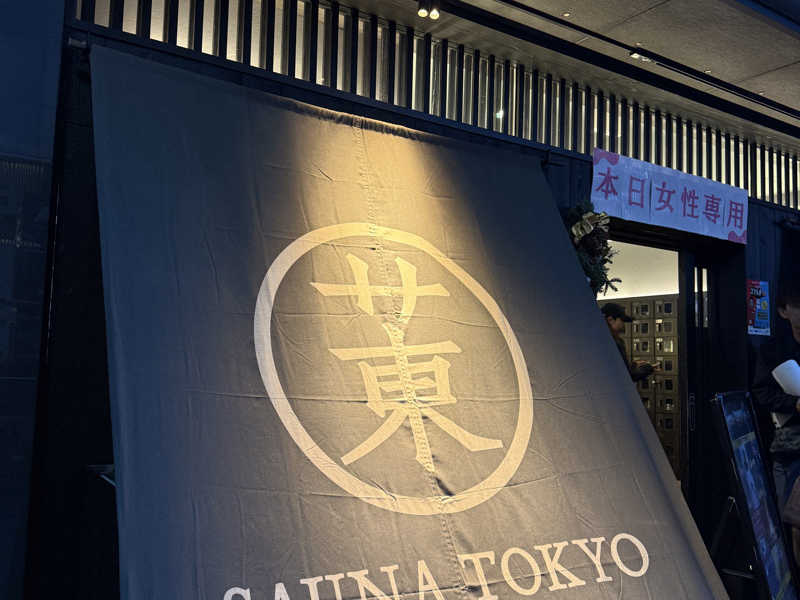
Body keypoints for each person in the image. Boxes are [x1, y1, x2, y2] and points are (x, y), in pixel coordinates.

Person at [752, 279, 800, 564]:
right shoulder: (773, 350)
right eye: (798, 306)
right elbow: (761, 392)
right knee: (789, 520)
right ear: (784, 311)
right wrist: (794, 404)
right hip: (789, 446)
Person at [601, 302, 655, 382]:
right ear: (610, 320)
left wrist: (633, 365)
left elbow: (616, 368)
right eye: (622, 320)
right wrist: (649, 368)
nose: (623, 324)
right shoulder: (615, 343)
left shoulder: (598, 340)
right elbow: (627, 376)